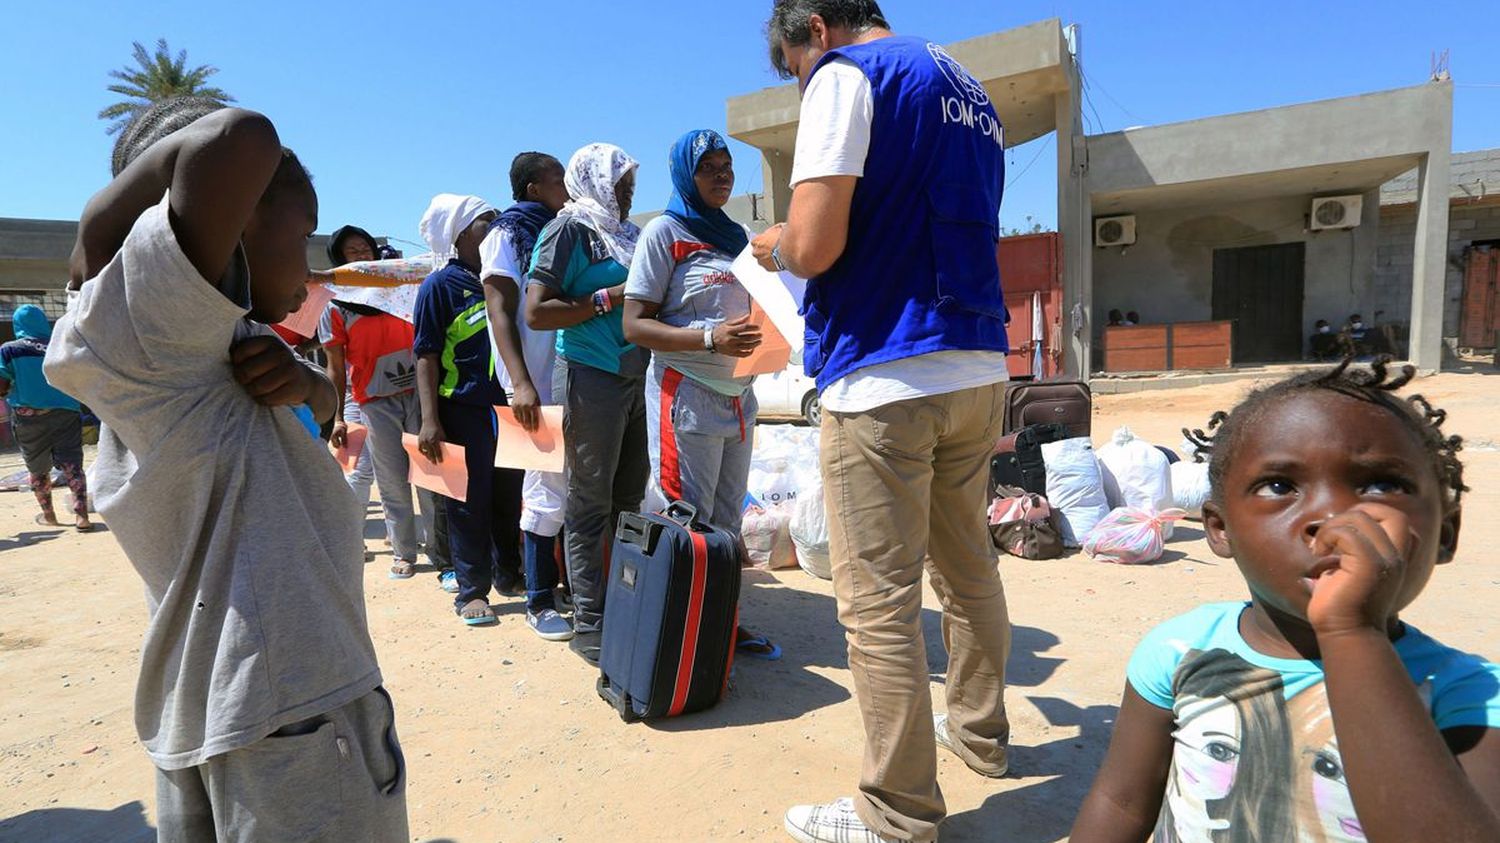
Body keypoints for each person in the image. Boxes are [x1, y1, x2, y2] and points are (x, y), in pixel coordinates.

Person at [46, 102, 406, 840]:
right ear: (236, 222)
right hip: (293, 712)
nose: (309, 267)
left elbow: (307, 417)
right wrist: (102, 223)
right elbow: (237, 138)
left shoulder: (199, 349)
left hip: (223, 704)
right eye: (299, 233)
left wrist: (311, 385)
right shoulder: (156, 324)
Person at [751, 3, 1013, 841]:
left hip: (885, 367)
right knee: (968, 568)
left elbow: (818, 246)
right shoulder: (966, 84)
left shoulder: (845, 77)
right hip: (975, 360)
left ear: (815, 30)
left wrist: (777, 244)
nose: (799, 85)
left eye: (792, 67)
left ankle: (894, 812)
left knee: (879, 603)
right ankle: (979, 732)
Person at [1071, 359, 1500, 842]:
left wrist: (1351, 632)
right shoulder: (1180, 652)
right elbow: (1120, 802)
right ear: (1219, 528)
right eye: (1279, 486)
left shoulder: (1473, 696)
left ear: (1445, 533)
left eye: (1380, 484)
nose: (1332, 516)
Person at [622, 128, 781, 661]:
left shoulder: (737, 236)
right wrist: (711, 337)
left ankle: (722, 625)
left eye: (726, 164)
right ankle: (677, 641)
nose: (721, 174)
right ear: (684, 176)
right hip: (685, 393)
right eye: (707, 166)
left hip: (739, 398)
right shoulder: (664, 235)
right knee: (686, 519)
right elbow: (635, 325)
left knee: (727, 523)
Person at [525, 143, 649, 666]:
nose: (626, 192)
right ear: (595, 180)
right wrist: (608, 298)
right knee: (588, 502)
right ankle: (590, 618)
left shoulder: (629, 236)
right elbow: (535, 311)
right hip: (587, 374)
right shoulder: (568, 230)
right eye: (619, 183)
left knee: (628, 498)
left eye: (630, 185)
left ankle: (626, 602)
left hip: (632, 377)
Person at [413, 193, 529, 626]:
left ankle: (509, 574)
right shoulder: (439, 287)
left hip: (509, 410)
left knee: (508, 495)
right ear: (461, 234)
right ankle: (472, 591)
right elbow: (425, 354)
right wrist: (430, 420)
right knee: (468, 502)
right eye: (485, 221)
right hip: (463, 409)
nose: (495, 226)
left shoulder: (503, 276)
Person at [480, 152, 574, 642]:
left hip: (570, 376)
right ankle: (539, 600)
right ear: (534, 188)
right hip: (530, 384)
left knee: (576, 487)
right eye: (559, 180)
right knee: (542, 490)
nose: (568, 188)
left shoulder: (566, 229)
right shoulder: (506, 235)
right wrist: (519, 382)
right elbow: (499, 309)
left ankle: (569, 587)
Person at [320, 224, 449, 581]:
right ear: (339, 261)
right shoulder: (335, 306)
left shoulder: (403, 290)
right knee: (392, 481)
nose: (362, 256)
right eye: (352, 253)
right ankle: (404, 552)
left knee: (429, 476)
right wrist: (337, 419)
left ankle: (441, 553)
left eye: (365, 249)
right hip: (375, 403)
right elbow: (334, 369)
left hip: (420, 396)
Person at [0, 305, 92, 531]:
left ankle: (49, 516)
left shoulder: (10, 349)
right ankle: (82, 517)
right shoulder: (60, 345)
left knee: (38, 469)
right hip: (66, 411)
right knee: (72, 464)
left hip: (28, 416)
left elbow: (1, 384)